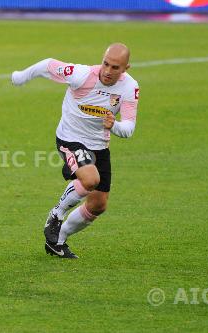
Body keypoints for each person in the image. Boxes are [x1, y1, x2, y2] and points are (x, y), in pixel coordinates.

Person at [11, 43, 139, 259]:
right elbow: (48, 65)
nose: (107, 71)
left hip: (100, 146)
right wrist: (21, 77)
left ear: (126, 68)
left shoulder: (129, 88)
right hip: (70, 138)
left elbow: (129, 128)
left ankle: (58, 239)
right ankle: (56, 214)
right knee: (90, 180)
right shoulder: (81, 75)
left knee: (98, 205)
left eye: (115, 67)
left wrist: (114, 126)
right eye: (106, 64)